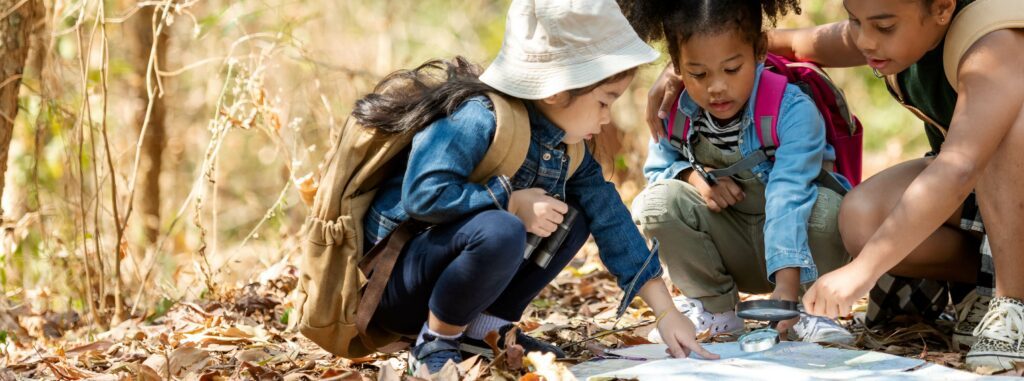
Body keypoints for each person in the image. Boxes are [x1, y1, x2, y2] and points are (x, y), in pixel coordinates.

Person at [649, 0, 1024, 371]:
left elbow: (959, 167)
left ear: (943, 8)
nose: (865, 41)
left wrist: (862, 272)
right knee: (861, 217)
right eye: (853, 20)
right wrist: (681, 67)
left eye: (883, 27)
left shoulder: (994, 43)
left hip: (994, 173)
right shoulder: (893, 24)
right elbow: (795, 43)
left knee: (1012, 133)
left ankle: (1013, 303)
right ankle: (982, 284)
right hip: (983, 191)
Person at [357, 0, 718, 374]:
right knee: (502, 228)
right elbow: (422, 195)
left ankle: (486, 331)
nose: (607, 117)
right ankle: (434, 345)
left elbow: (612, 221)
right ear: (556, 90)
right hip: (400, 288)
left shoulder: (569, 149)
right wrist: (507, 202)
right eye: (604, 101)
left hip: (461, 290)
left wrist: (666, 313)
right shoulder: (477, 118)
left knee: (573, 217)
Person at [620, 0, 854, 345]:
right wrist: (695, 179)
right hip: (732, 244)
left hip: (801, 250)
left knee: (830, 208)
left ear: (759, 51)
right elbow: (658, 170)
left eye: (731, 69)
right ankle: (715, 310)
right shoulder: (677, 112)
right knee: (655, 203)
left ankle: (811, 308)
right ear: (676, 66)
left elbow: (789, 192)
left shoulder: (791, 109)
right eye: (698, 74)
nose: (716, 87)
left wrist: (786, 288)